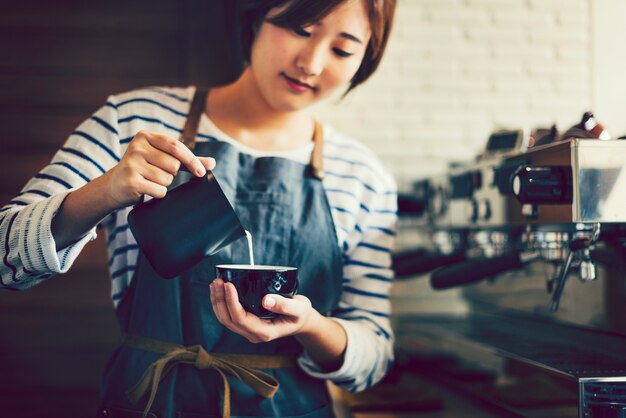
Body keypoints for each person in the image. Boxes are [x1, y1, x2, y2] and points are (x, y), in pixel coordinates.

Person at [0, 0, 398, 416]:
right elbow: (4, 258)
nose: (312, 63)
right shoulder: (133, 119)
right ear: (256, 17)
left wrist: (311, 326)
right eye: (300, 29)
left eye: (343, 50)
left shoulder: (362, 177)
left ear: (365, 60)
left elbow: (374, 359)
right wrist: (105, 191)